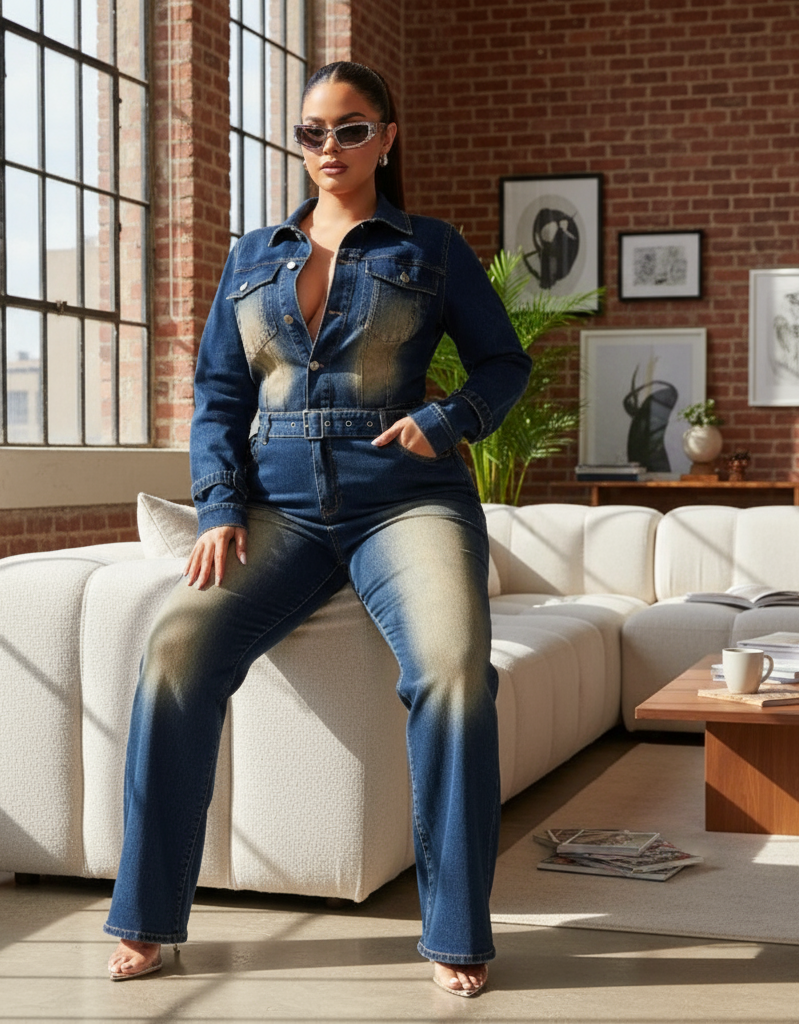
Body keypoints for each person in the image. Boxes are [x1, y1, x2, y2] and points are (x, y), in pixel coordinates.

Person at [105, 60, 532, 998]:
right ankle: (145, 915)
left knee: (455, 668)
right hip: (277, 506)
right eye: (311, 131)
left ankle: (456, 928)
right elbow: (219, 396)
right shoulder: (253, 255)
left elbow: (505, 364)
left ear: (387, 138)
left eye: (350, 128)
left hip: (405, 497)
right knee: (174, 650)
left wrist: (446, 421)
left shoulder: (430, 246)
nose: (328, 147)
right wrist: (219, 507)